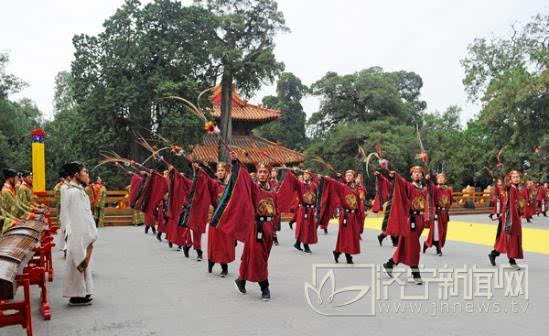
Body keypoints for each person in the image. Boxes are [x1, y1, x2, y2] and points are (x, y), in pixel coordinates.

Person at [210, 156, 294, 301]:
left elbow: (275, 212)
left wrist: (274, 231)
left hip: (267, 230)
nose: (261, 174)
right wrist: (237, 164)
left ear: (269, 174)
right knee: (258, 258)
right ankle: (264, 287)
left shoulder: (273, 194)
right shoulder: (254, 188)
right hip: (256, 229)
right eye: (259, 172)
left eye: (264, 172)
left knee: (256, 257)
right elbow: (244, 179)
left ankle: (241, 281)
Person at [381, 166, 432, 285]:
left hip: (420, 220)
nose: (417, 174)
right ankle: (415, 272)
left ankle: (390, 264)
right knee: (414, 247)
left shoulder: (424, 189)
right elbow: (401, 181)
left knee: (405, 245)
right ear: (411, 175)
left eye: (419, 172)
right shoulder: (409, 186)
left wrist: (429, 181)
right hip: (411, 220)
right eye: (415, 172)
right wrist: (395, 175)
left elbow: (431, 194)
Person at [62, 161, 98, 306]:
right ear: (76, 175)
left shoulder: (77, 191)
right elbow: (77, 218)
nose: (87, 174)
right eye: (85, 172)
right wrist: (88, 234)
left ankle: (81, 292)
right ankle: (77, 294)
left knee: (82, 266)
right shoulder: (74, 193)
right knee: (78, 264)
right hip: (79, 234)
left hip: (82, 234)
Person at [317, 170, 364, 264]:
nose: (348, 177)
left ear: (353, 177)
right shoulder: (343, 187)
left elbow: (358, 202)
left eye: (350, 175)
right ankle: (348, 256)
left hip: (353, 215)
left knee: (350, 236)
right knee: (346, 235)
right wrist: (326, 178)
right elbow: (334, 183)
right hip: (345, 216)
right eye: (347, 175)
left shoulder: (356, 189)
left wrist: (359, 214)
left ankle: (338, 252)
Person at [488, 170, 525, 270]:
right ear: (510, 179)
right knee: (509, 238)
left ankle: (494, 254)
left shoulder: (517, 189)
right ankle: (512, 261)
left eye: (517, 176)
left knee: (507, 239)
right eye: (514, 177)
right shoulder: (510, 188)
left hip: (515, 217)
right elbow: (505, 187)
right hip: (509, 217)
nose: (516, 178)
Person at [285, 169, 318, 253]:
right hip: (303, 209)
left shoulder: (314, 185)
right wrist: (292, 172)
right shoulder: (300, 184)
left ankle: (298, 243)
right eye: (304, 174)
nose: (305, 176)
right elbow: (294, 181)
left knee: (308, 227)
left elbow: (316, 197)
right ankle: (305, 245)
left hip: (311, 209)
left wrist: (315, 208)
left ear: (311, 176)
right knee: (304, 227)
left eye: (307, 174)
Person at [423, 173, 452, 256]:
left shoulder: (448, 190)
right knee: (438, 231)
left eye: (442, 177)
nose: (440, 179)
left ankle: (426, 244)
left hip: (444, 213)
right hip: (437, 213)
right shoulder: (435, 189)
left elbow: (450, 201)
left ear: (445, 180)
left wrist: (446, 210)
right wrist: (428, 180)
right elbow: (430, 186)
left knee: (443, 232)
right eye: (438, 178)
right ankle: (438, 249)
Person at [1, 168, 19, 233]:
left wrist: (14, 219)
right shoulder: (6, 191)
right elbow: (16, 205)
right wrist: (11, 221)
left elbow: (2, 211)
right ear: (10, 179)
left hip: (11, 218)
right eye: (16, 178)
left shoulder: (10, 190)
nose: (17, 181)